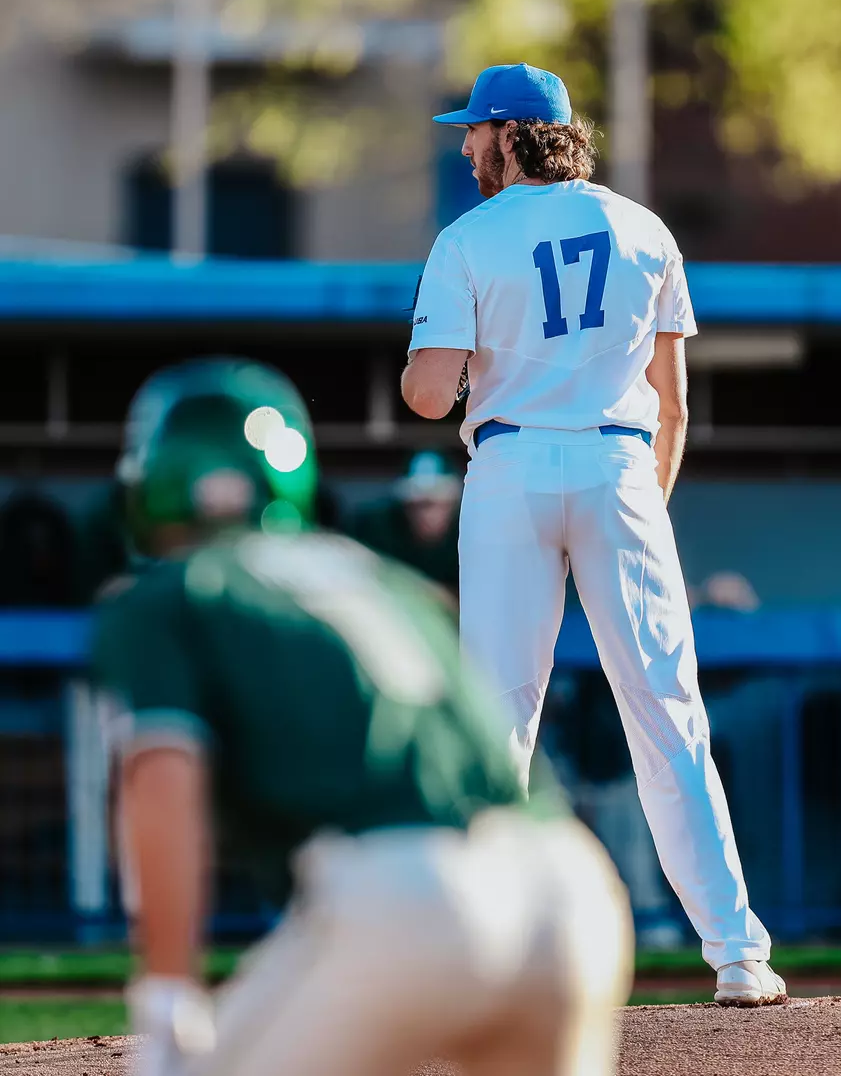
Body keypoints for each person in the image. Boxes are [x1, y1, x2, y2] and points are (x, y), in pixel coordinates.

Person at [91, 357, 632, 1076]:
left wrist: (165, 995)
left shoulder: (171, 594)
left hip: (405, 897)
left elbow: (161, 777)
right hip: (571, 890)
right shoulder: (385, 579)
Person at [401, 62, 786, 1006]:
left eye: (475, 131)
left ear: (511, 134)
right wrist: (636, 504)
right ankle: (738, 956)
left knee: (495, 716)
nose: (465, 147)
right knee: (667, 711)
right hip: (621, 467)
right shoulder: (644, 228)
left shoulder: (468, 237)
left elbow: (423, 393)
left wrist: (465, 366)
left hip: (512, 467)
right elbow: (675, 408)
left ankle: (476, 961)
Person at [349, 450, 461, 597]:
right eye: (417, 505)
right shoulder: (378, 530)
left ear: (452, 504)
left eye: (434, 504)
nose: (426, 515)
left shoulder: (469, 536)